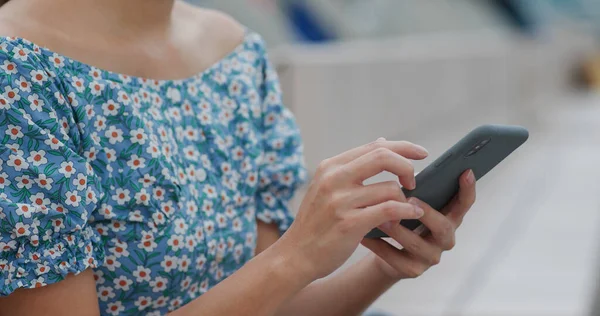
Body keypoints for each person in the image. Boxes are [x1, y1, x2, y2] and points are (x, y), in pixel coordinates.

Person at [0, 0, 477, 315]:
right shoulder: (17, 69)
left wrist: (383, 263)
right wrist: (298, 253)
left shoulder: (234, 51)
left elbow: (270, 303)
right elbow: (280, 271)